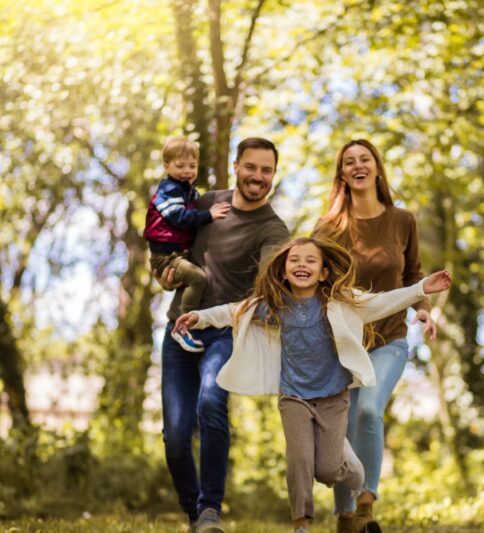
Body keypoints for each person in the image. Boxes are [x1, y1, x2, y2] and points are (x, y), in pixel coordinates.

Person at [173, 237, 452, 533]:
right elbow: (233, 311)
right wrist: (199, 317)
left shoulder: (341, 304)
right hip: (293, 396)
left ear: (323, 272)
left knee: (328, 470)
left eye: (310, 261)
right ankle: (301, 525)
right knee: (300, 460)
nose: (301, 265)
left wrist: (421, 289)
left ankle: (351, 466)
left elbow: (382, 302)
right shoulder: (273, 305)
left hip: (334, 396)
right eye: (294, 260)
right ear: (283, 271)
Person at [158, 137, 289, 533]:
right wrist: (163, 273)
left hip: (226, 333)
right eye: (251, 167)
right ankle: (194, 513)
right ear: (236, 166)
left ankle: (211, 509)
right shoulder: (202, 205)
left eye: (266, 170)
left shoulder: (273, 228)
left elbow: (269, 282)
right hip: (180, 330)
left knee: (212, 402)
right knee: (176, 437)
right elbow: (166, 245)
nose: (258, 177)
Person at [313, 139, 437, 533]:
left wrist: (423, 309)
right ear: (343, 175)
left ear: (377, 168)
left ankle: (366, 506)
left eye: (364, 159)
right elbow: (311, 279)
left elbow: (414, 274)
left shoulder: (403, 220)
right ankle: (345, 518)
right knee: (341, 427)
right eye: (349, 162)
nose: (357, 165)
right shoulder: (329, 227)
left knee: (367, 411)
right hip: (342, 344)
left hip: (390, 338)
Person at [144, 138, 231, 352]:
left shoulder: (188, 191)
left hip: (177, 254)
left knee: (199, 275)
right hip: (166, 256)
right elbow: (180, 218)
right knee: (198, 278)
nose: (187, 171)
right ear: (166, 167)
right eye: (180, 166)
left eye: (192, 166)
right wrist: (208, 215)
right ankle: (183, 326)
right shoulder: (169, 190)